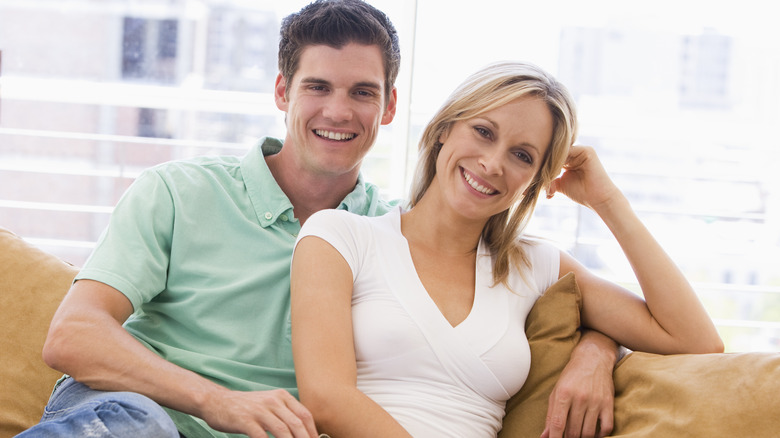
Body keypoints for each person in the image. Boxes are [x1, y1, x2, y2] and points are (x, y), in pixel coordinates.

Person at [21, 2, 620, 437]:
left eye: (362, 92)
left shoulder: (385, 237)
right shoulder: (179, 192)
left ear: (388, 106)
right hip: (139, 416)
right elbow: (73, 335)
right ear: (283, 92)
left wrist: (597, 348)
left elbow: (566, 301)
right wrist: (217, 401)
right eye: (318, 87)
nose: (338, 110)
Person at [289, 61, 725, 437]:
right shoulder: (339, 238)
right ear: (444, 130)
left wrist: (607, 203)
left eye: (522, 155)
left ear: (535, 181)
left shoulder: (535, 266)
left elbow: (696, 341)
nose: (493, 163)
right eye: (483, 132)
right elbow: (327, 398)